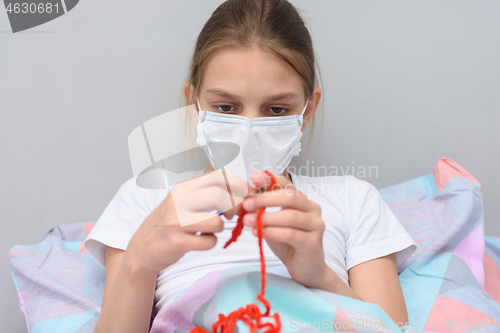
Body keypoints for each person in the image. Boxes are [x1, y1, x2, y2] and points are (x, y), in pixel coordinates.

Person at [84, 0, 417, 332]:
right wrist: (139, 262)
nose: (248, 131)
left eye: (276, 110)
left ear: (308, 109)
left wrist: (321, 278)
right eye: (226, 107)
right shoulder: (145, 200)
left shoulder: (353, 200)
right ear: (194, 104)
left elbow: (392, 327)